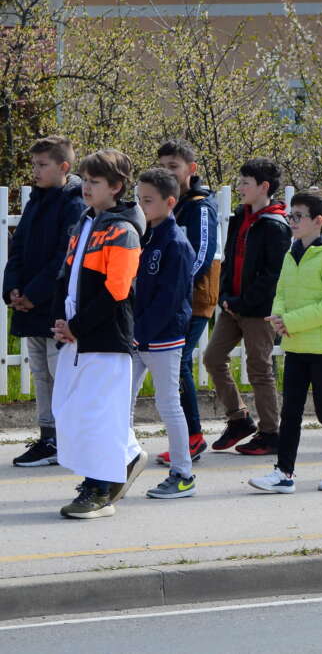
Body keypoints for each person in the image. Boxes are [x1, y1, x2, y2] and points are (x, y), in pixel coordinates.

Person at [50, 149, 148, 518]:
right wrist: (60, 321)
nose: (86, 187)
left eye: (95, 182)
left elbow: (116, 291)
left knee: (97, 415)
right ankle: (126, 456)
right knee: (71, 410)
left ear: (116, 187)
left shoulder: (122, 231)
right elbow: (66, 277)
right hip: (77, 337)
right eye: (85, 180)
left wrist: (76, 325)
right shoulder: (85, 222)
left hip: (105, 338)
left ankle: (99, 489)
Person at [250, 188, 322, 493]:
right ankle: (284, 472)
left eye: (298, 217)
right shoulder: (291, 252)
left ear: (318, 221)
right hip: (296, 345)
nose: (292, 222)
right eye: (290, 216)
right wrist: (279, 317)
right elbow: (281, 291)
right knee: (291, 411)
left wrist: (292, 321)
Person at [4, 136, 85, 467]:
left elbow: (63, 258)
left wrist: (34, 295)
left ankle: (69, 438)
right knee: (40, 373)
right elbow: (18, 248)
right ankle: (47, 436)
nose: (35, 171)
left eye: (42, 165)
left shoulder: (74, 204)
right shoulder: (35, 200)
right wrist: (13, 289)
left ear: (63, 167)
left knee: (59, 372)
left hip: (53, 306)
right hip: (30, 305)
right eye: (33, 164)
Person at [204, 158, 290, 455]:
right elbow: (229, 256)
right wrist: (226, 295)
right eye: (239, 181)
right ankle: (239, 419)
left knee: (259, 369)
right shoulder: (241, 215)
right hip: (232, 306)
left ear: (263, 187)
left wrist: (243, 302)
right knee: (213, 358)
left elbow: (271, 277)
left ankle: (270, 432)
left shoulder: (276, 226)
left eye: (245, 183)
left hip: (258, 311)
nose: (239, 188)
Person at [129, 168, 197, 498]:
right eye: (139, 199)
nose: (141, 206)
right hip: (137, 336)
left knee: (168, 405)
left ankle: (183, 474)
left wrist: (140, 333)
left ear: (169, 202)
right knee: (120, 403)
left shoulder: (176, 243)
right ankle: (119, 467)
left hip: (164, 337)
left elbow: (170, 300)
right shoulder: (146, 236)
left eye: (148, 200)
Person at [155, 139, 219, 466]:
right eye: (162, 166)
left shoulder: (200, 206)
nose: (168, 172)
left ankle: (193, 437)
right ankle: (190, 435)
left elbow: (202, 256)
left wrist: (176, 289)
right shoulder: (169, 204)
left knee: (178, 363)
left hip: (193, 299)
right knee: (172, 364)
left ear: (190, 170)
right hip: (169, 298)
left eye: (173, 167)